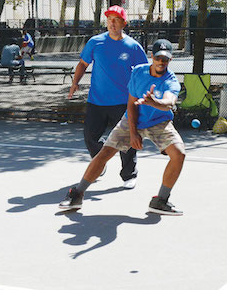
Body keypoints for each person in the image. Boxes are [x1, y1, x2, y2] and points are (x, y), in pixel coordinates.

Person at [60, 39, 186, 215]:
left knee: (179, 154)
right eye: (158, 58)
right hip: (132, 120)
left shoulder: (171, 80)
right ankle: (77, 194)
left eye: (165, 59)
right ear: (152, 57)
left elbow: (169, 102)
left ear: (170, 60)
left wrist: (154, 102)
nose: (161, 62)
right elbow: (131, 103)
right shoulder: (139, 73)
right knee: (105, 153)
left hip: (159, 122)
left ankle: (160, 201)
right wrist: (134, 133)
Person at [68, 5, 148, 189]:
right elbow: (82, 64)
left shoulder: (133, 47)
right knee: (90, 137)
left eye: (116, 19)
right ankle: (99, 161)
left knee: (126, 142)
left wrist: (144, 96)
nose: (112, 23)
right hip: (96, 101)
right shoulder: (95, 42)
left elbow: (144, 72)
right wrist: (75, 83)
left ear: (123, 23)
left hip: (123, 102)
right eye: (109, 19)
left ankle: (129, 175)